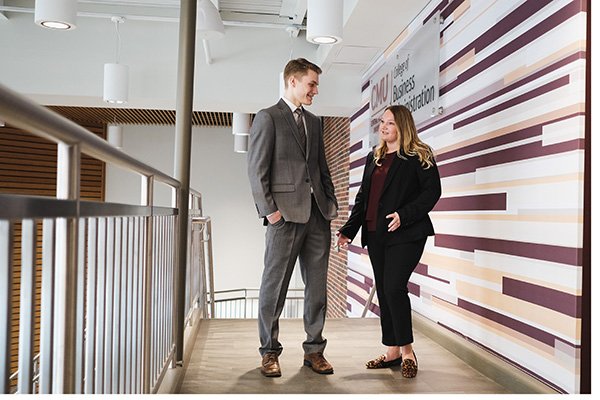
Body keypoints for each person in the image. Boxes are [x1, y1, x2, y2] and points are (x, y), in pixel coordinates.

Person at [247, 58, 339, 378]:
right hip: (283, 217)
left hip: (317, 216)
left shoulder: (315, 121)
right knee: (275, 287)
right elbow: (256, 170)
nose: (315, 90)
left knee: (317, 287)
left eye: (315, 85)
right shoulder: (268, 117)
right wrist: (270, 212)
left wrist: (331, 204)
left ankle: (314, 351)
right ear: (292, 82)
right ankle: (269, 352)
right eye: (311, 84)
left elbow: (321, 166)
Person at [336, 104, 441, 378]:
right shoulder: (376, 157)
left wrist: (404, 215)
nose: (384, 127)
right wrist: (349, 229)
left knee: (394, 287)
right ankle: (392, 350)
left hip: (406, 233)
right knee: (384, 290)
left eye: (390, 123)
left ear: (403, 126)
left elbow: (432, 193)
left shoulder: (419, 154)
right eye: (382, 122)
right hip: (376, 233)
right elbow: (364, 198)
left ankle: (407, 351)